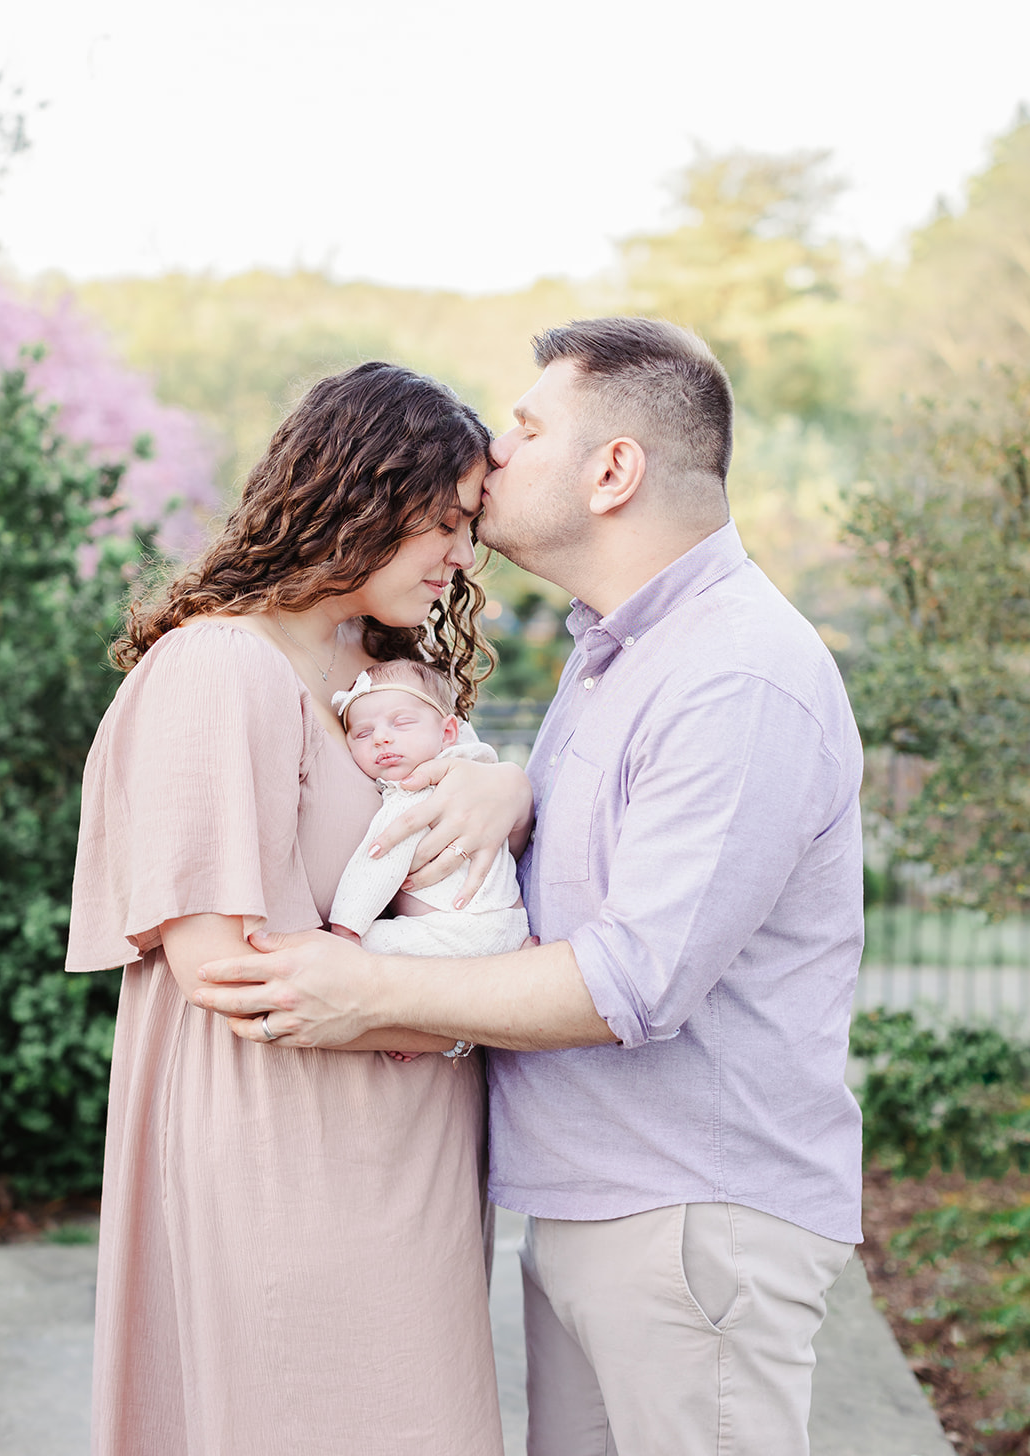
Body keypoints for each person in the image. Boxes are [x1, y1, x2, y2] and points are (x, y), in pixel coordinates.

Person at [196, 317, 866, 1456]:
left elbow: (631, 981)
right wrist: (510, 792)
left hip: (688, 1216)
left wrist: (367, 988)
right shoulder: (622, 653)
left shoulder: (736, 671)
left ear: (614, 470)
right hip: (596, 1205)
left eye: (526, 425)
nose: (495, 453)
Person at [65, 361, 532, 1456]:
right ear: (363, 491)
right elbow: (228, 971)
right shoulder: (218, 670)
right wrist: (488, 1008)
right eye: (450, 521)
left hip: (406, 1155)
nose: (466, 555)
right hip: (289, 1158)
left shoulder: (385, 677)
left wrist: (501, 787)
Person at [328, 659, 530, 958]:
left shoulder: (416, 792)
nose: (381, 738)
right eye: (362, 733)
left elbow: (379, 862)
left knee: (337, 947)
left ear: (448, 732)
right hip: (512, 926)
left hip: (455, 933)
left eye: (402, 723)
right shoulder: (476, 780)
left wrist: (346, 928)